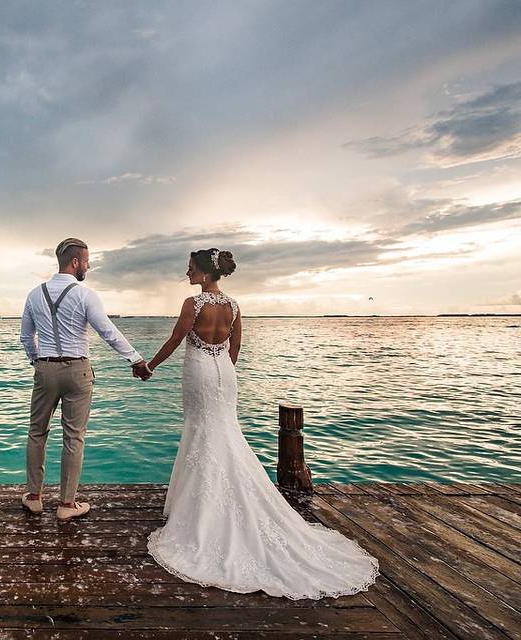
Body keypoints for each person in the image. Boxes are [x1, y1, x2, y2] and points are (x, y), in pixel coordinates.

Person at [141, 248, 379, 599]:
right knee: (224, 432)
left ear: (206, 274)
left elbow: (177, 340)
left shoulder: (192, 304)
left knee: (202, 433)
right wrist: (222, 369)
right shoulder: (234, 306)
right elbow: (234, 348)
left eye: (190, 268)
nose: (186, 273)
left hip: (199, 373)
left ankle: (201, 515)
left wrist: (150, 366)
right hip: (225, 374)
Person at [20, 237, 150, 521]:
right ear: (75, 262)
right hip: (78, 370)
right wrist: (136, 359)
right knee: (74, 436)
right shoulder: (85, 294)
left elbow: (25, 337)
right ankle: (67, 504)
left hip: (45, 368)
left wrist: (38, 362)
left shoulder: (34, 294)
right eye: (87, 261)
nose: (88, 266)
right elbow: (108, 332)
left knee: (37, 432)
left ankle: (33, 497)